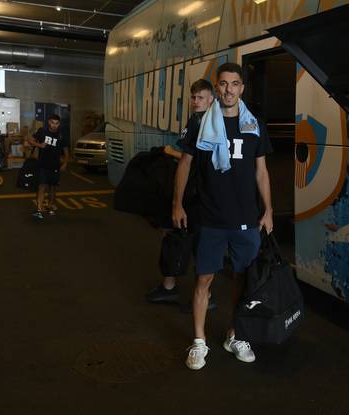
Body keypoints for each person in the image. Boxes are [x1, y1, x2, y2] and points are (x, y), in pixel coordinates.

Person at [172, 63, 273, 370]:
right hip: (210, 216)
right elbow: (185, 164)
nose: (229, 89)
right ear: (217, 87)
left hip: (246, 218)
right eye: (224, 83)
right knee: (204, 279)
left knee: (242, 280)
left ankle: (235, 335)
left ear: (242, 88)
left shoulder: (254, 125)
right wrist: (177, 204)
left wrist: (268, 210)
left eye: (235, 84)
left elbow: (261, 171)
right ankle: (199, 342)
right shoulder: (200, 122)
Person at [145, 78, 217, 310]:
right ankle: (174, 288)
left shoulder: (204, 121)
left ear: (211, 99)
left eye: (201, 97)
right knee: (180, 235)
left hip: (200, 195)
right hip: (196, 193)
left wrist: (170, 151)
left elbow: (194, 159)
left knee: (193, 240)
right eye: (193, 97)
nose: (196, 101)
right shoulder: (202, 119)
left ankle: (201, 296)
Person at [27, 114, 69, 219]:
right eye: (52, 123)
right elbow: (29, 140)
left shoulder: (61, 135)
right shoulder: (42, 131)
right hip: (42, 164)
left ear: (59, 124)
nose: (54, 125)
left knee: (52, 188)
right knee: (41, 186)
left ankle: (50, 207)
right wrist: (39, 145)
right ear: (49, 122)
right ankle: (39, 210)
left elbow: (66, 151)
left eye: (57, 123)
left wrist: (65, 163)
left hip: (55, 165)